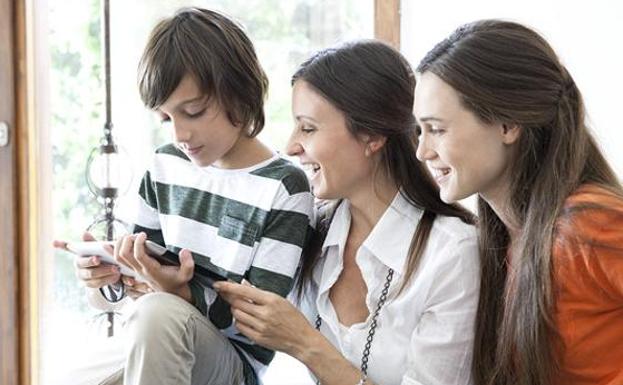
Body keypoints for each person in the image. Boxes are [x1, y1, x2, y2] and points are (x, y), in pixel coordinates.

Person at [56, 7, 313, 385]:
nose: (179, 134)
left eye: (193, 112)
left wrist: (181, 293)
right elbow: (139, 285)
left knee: (160, 313)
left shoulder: (284, 186)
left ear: (239, 95)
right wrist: (109, 276)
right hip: (152, 335)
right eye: (165, 118)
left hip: (229, 363)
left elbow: (259, 322)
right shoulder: (164, 166)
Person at [215, 40, 481, 385]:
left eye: (308, 127)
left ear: (371, 136)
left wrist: (306, 344)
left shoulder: (452, 254)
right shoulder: (313, 228)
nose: (292, 145)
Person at [413, 20, 623, 385]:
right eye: (419, 130)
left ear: (507, 124)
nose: (422, 151)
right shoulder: (504, 238)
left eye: (438, 129)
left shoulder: (587, 225)